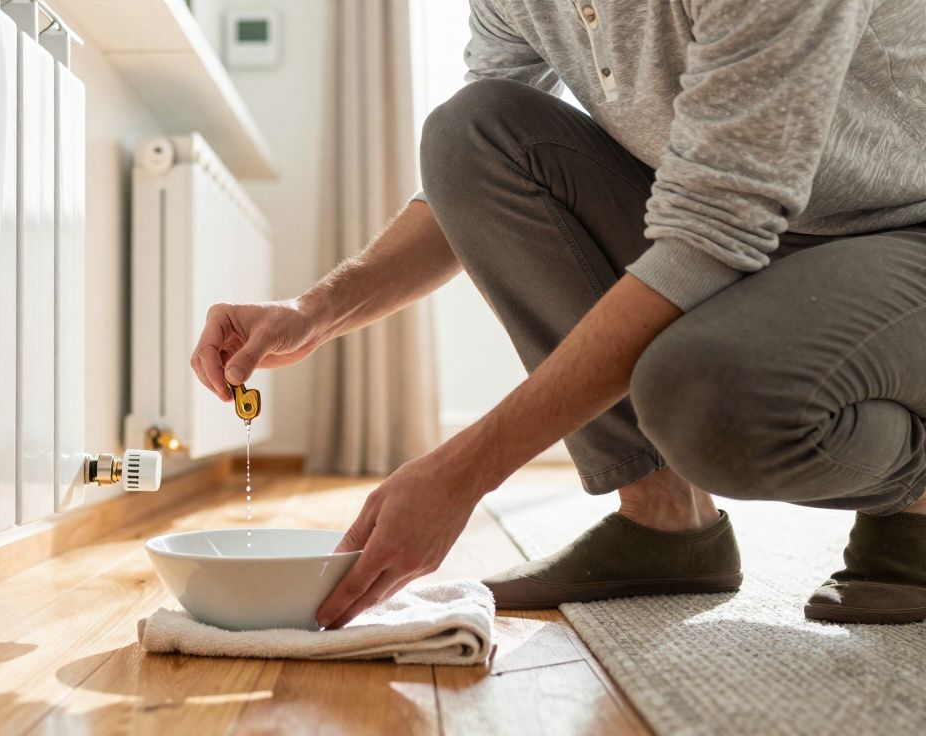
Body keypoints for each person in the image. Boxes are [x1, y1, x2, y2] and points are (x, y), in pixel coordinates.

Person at [190, 0, 926, 629]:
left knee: (707, 401)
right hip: (737, 217)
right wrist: (312, 312)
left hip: (897, 229)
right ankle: (665, 522)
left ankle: (918, 494)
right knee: (470, 132)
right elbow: (464, 189)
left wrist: (465, 470)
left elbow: (716, 228)